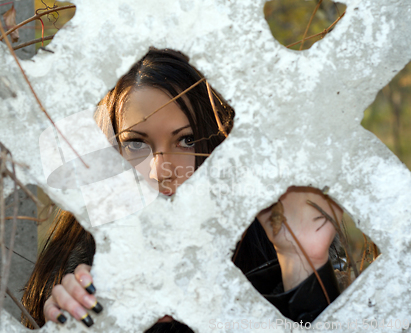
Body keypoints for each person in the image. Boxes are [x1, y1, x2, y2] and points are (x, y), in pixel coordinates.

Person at [21, 48, 343, 331]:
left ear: (214, 146)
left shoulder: (265, 256)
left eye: (186, 140)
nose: (161, 170)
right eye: (136, 143)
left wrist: (304, 266)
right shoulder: (80, 275)